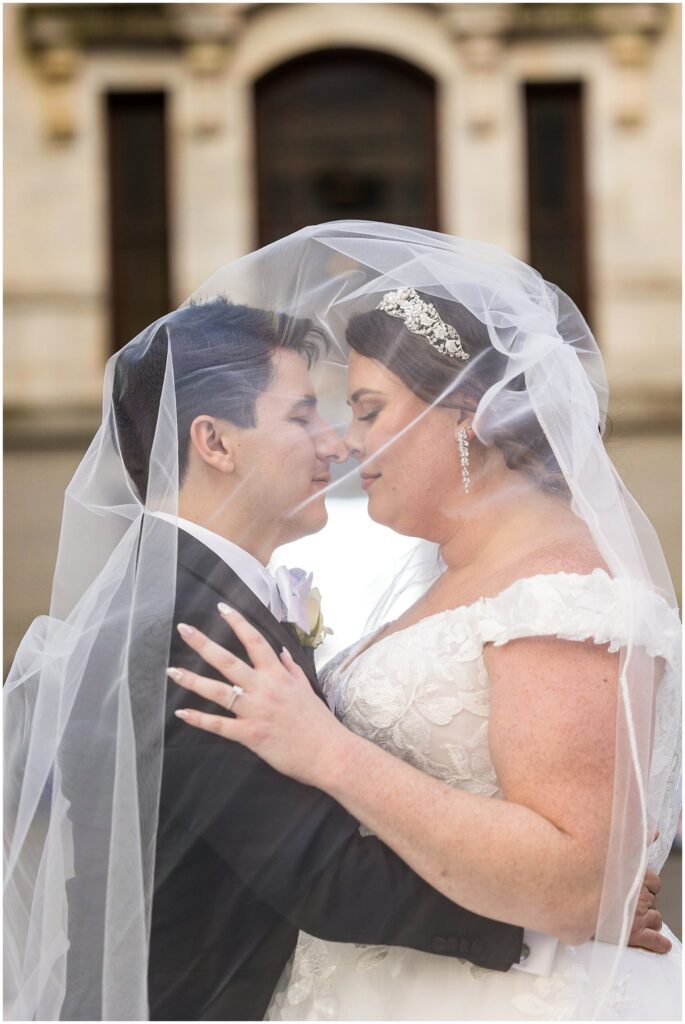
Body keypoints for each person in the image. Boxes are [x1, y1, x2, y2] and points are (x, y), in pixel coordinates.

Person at [168, 225, 682, 1020]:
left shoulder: (560, 594)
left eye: (368, 411)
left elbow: (575, 880)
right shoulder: (453, 572)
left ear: (465, 415)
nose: (347, 444)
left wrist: (329, 752)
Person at [5, 294, 530, 1023]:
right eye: (302, 416)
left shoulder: (194, 595)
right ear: (215, 443)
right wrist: (548, 919)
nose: (336, 445)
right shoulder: (183, 627)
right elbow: (322, 875)